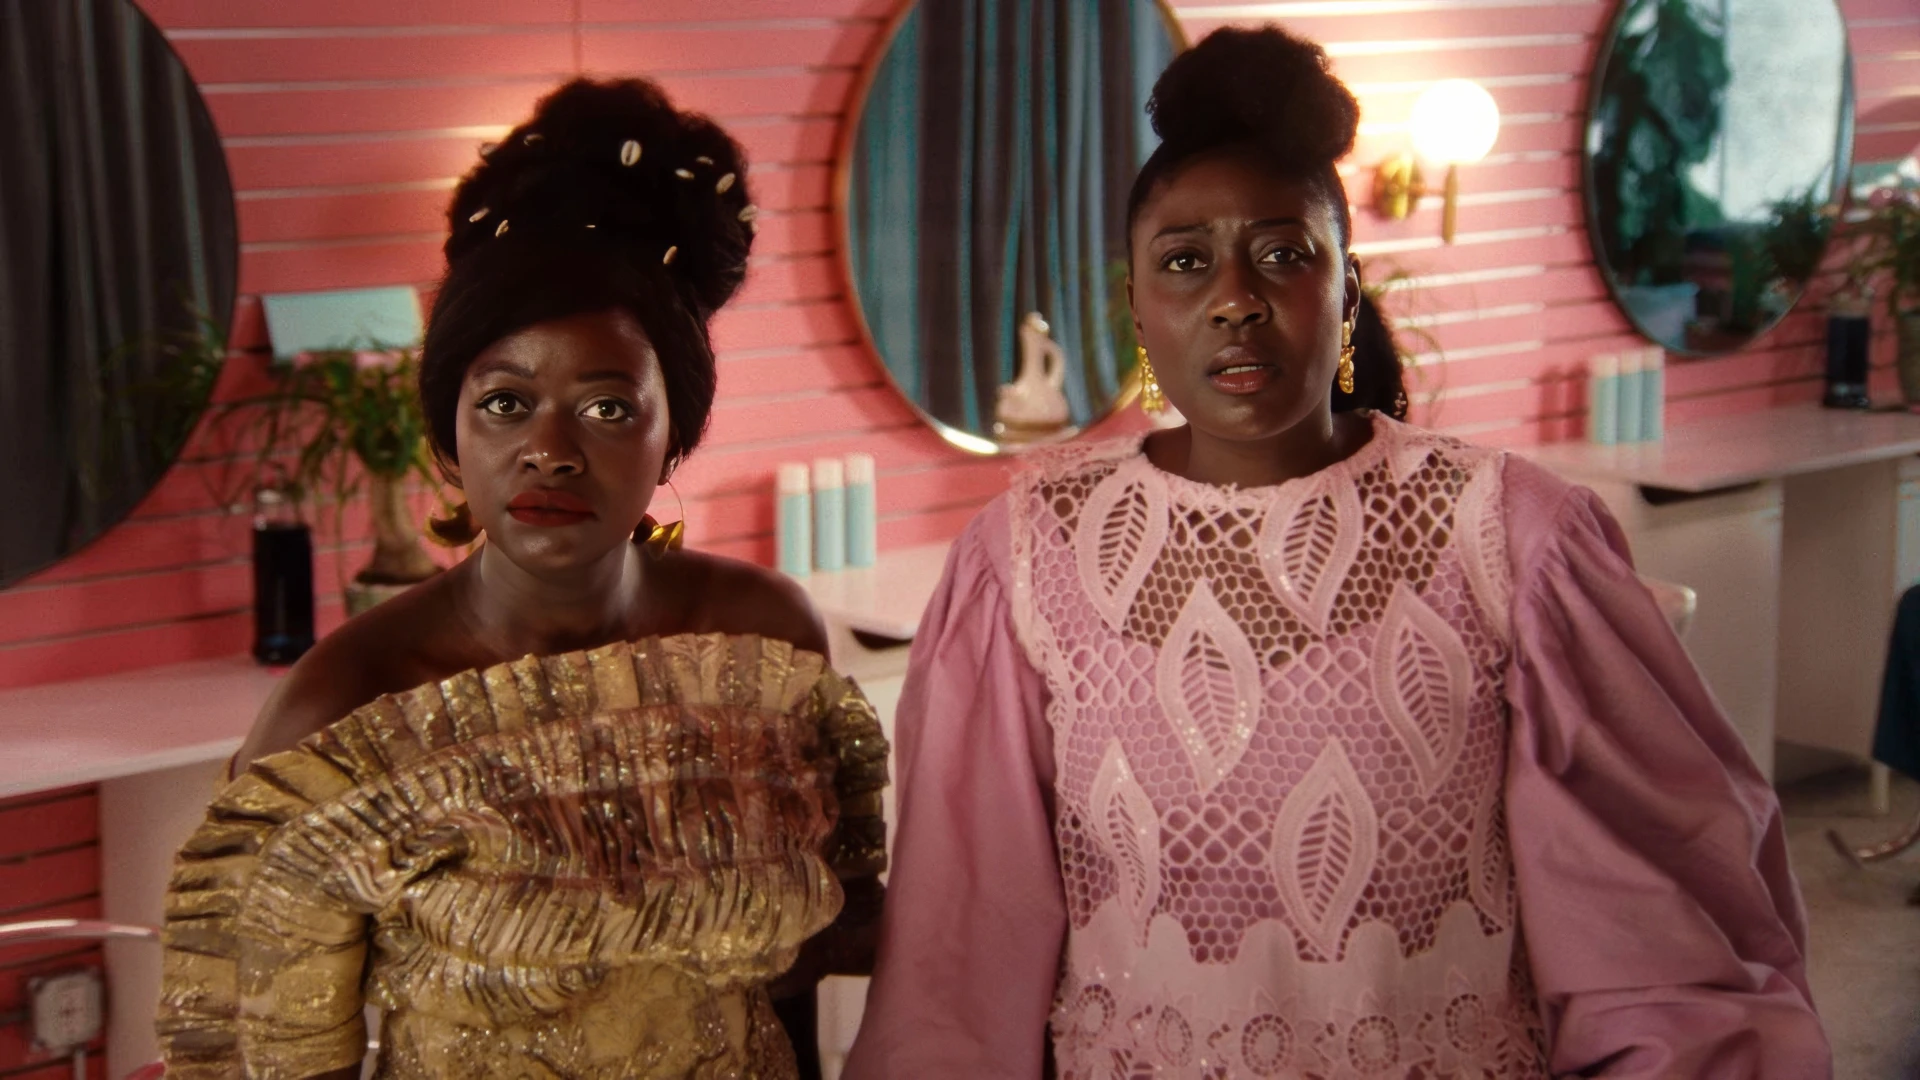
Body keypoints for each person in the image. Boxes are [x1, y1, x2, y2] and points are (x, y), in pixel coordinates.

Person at [845, 26, 1828, 1079]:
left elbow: (1655, 932)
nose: (1235, 297)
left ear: (1347, 292)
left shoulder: (1511, 539)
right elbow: (961, 961)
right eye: (1185, 262)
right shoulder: (1027, 563)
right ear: (1136, 305)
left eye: (1282, 254)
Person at [154, 78, 887, 1080]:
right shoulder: (351, 704)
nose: (549, 450)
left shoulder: (759, 651)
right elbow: (265, 1053)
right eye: (505, 403)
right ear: (450, 436)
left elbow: (802, 975)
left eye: (606, 409)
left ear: (677, 435)